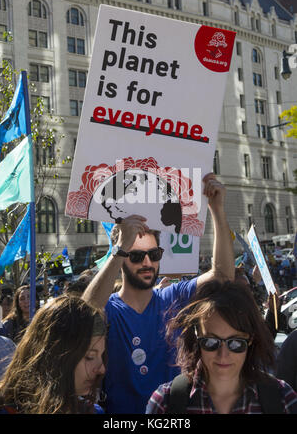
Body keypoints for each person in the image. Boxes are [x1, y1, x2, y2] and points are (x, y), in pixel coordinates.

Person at [83, 173, 235, 414]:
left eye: (154, 255)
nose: (147, 262)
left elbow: (224, 276)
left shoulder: (173, 297)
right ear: (121, 257)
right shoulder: (109, 308)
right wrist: (120, 247)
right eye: (135, 255)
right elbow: (84, 312)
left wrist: (217, 210)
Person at [146, 280, 297, 414]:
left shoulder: (282, 398)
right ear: (197, 337)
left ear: (250, 339)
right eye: (211, 342)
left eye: (236, 343)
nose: (223, 354)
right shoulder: (165, 402)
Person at [0, 295, 106, 414]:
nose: (102, 369)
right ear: (54, 355)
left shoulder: (93, 411)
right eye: (90, 357)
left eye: (102, 355)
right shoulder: (5, 409)